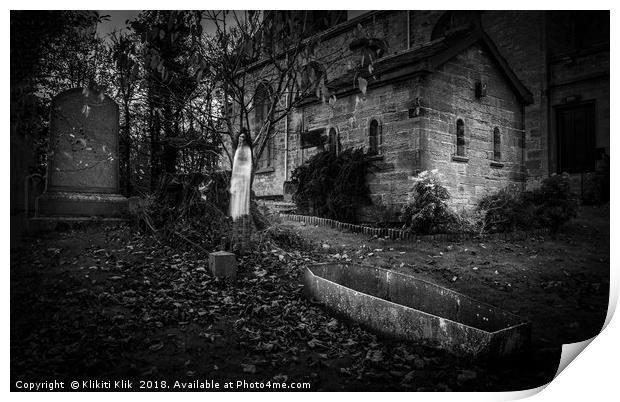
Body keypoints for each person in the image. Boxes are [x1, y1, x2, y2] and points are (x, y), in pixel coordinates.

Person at [229, 131, 252, 220]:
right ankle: (235, 217)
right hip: (236, 177)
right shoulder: (238, 149)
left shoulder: (246, 149)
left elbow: (247, 163)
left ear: (245, 139)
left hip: (242, 176)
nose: (240, 138)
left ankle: (240, 216)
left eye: (242, 137)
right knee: (235, 196)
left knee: (241, 196)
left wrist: (241, 172)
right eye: (240, 137)